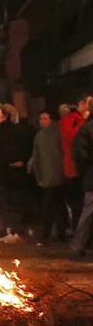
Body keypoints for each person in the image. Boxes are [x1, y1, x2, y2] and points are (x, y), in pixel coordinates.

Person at [0, 104, 32, 244]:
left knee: (10, 203)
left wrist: (20, 161)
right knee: (10, 203)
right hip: (10, 174)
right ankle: (13, 230)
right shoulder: (12, 131)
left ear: (5, 116)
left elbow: (2, 153)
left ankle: (14, 231)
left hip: (7, 175)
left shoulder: (1, 133)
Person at [29, 112, 67, 246]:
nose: (42, 121)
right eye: (41, 119)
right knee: (55, 205)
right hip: (50, 176)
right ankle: (57, 233)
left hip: (54, 176)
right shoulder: (40, 135)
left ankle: (50, 233)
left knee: (52, 206)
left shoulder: (52, 134)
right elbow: (36, 157)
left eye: (45, 118)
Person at [61, 97, 88, 230]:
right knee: (78, 205)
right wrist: (84, 121)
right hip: (74, 169)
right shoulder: (69, 120)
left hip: (83, 168)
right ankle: (79, 233)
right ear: (81, 104)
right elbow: (72, 138)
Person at [71, 98, 93, 256]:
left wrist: (83, 169)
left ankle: (79, 244)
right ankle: (79, 244)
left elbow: (79, 152)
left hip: (91, 175)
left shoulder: (87, 128)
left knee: (88, 211)